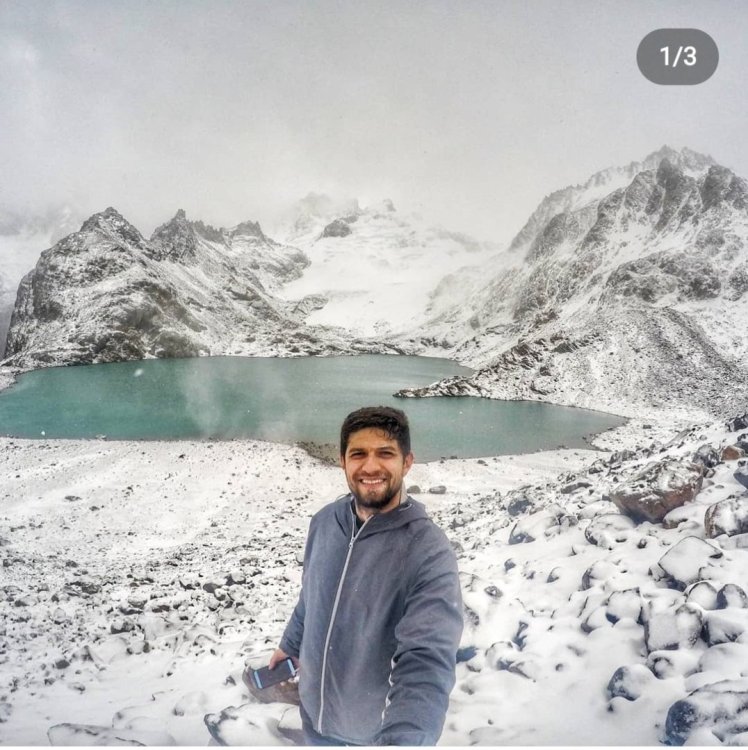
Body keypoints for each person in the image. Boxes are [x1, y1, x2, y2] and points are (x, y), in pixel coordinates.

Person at [268, 405, 463, 746]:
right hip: (312, 716)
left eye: (385, 453)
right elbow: (310, 598)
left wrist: (405, 738)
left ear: (407, 462)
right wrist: (291, 645)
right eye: (358, 454)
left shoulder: (428, 550)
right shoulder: (325, 522)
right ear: (343, 461)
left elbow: (426, 662)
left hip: (367, 736)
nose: (370, 466)